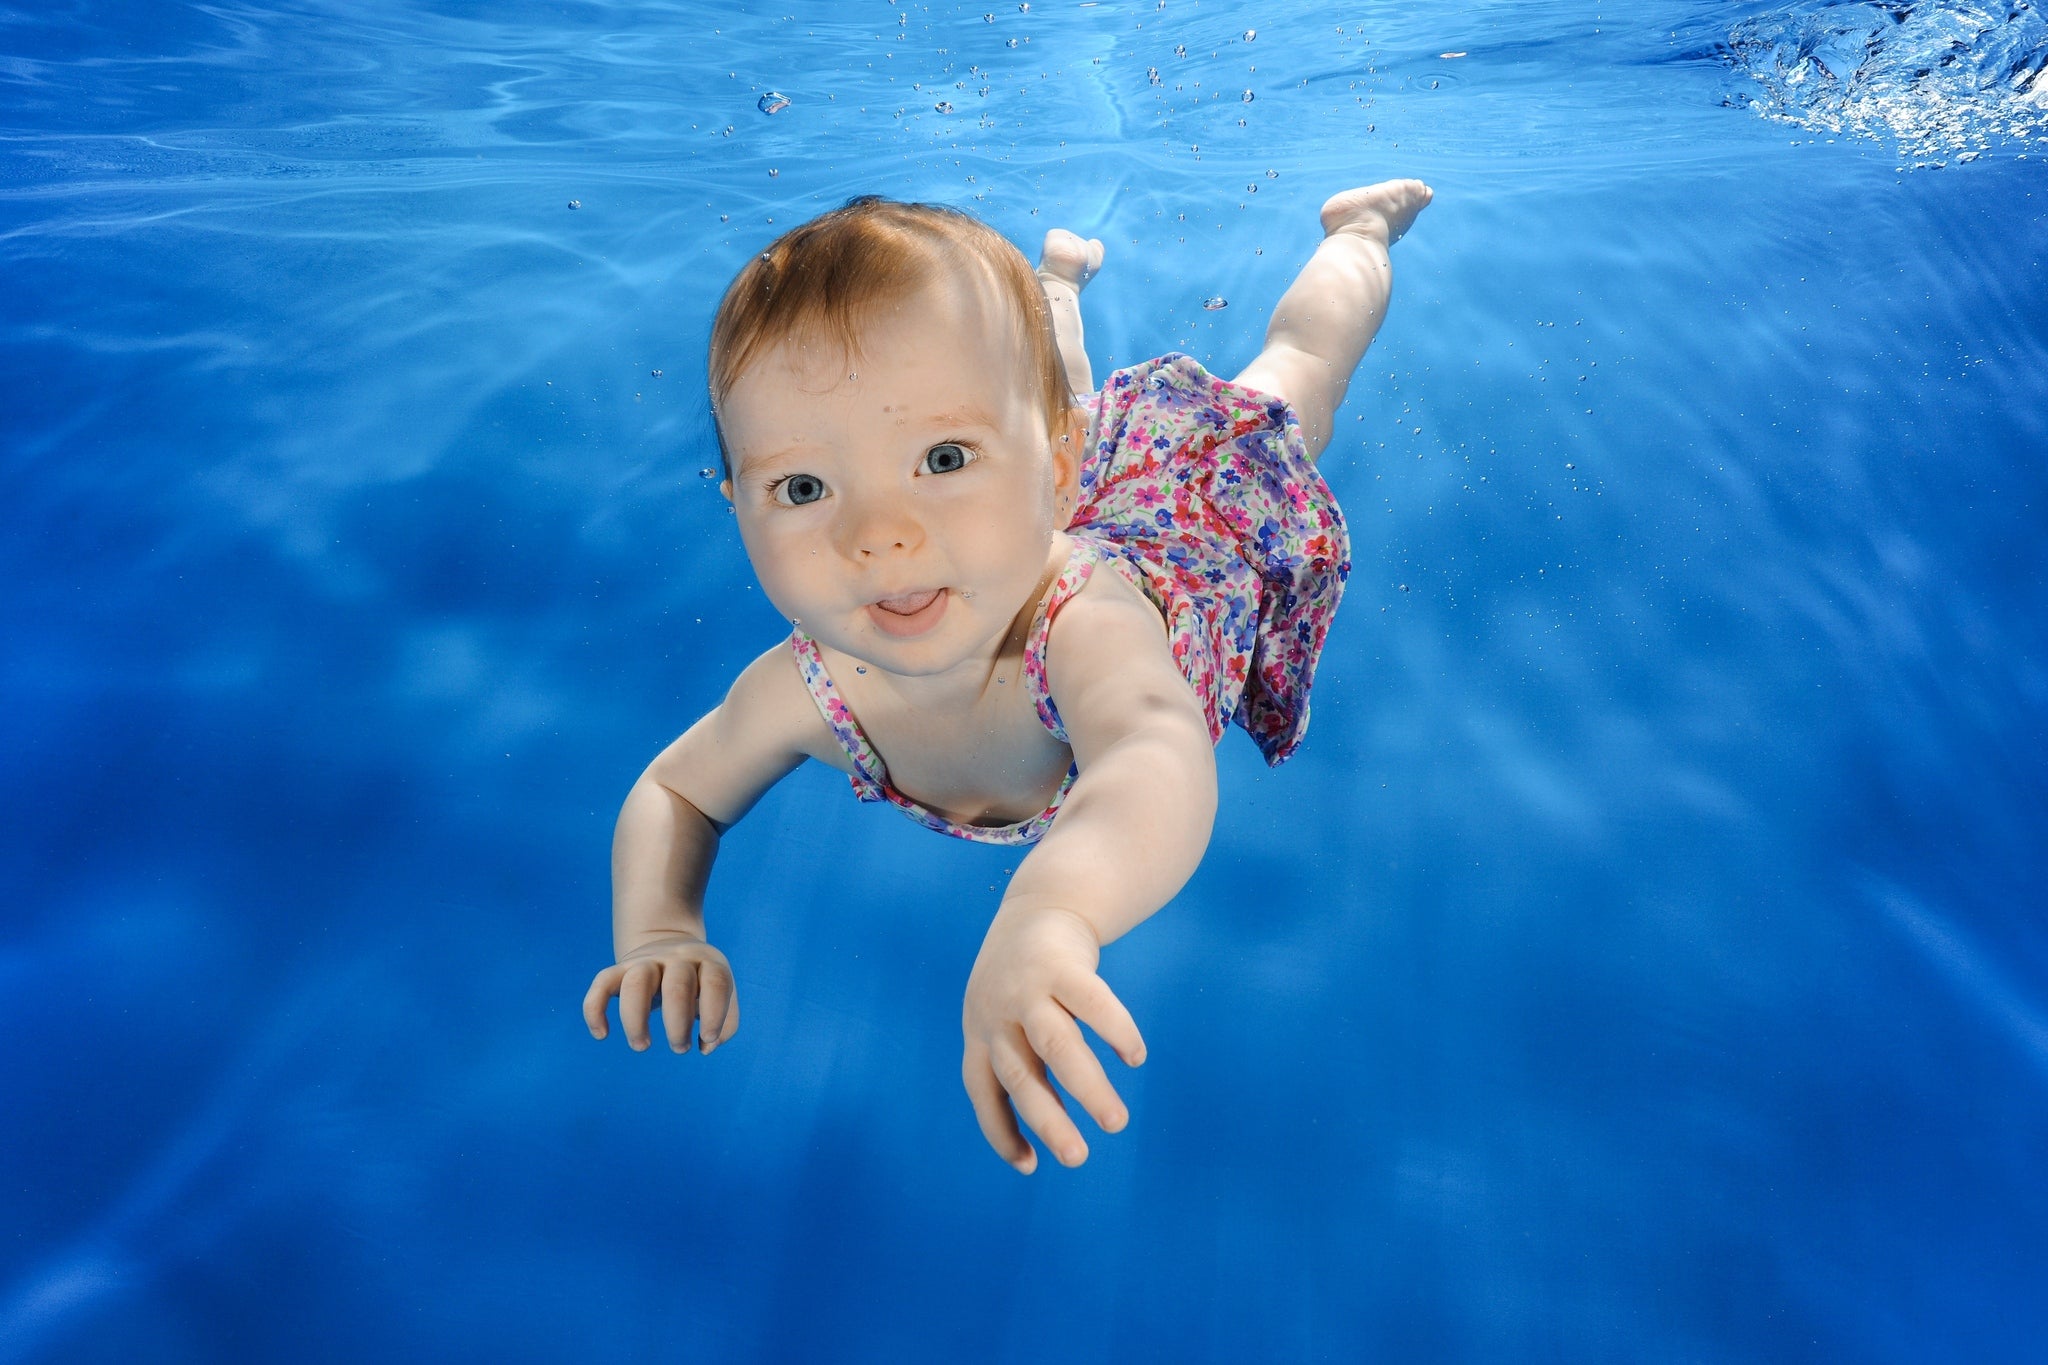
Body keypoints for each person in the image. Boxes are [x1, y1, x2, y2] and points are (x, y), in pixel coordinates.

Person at [583, 181, 1434, 1174]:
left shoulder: (1084, 629)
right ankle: (1053, 291)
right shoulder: (806, 689)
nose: (878, 535)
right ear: (736, 505)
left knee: (1298, 377)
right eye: (803, 487)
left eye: (942, 457)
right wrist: (658, 928)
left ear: (1060, 476)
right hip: (1038, 479)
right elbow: (675, 791)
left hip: (1182, 516)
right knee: (1040, 411)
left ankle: (1357, 231)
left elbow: (1152, 751)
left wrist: (1051, 910)